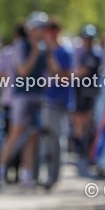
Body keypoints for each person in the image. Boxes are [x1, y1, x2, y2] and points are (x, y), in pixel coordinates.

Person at [0, 11, 50, 187]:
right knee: (16, 132)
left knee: (33, 136)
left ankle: (27, 174)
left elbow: (49, 72)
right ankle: (1, 169)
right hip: (22, 95)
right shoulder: (21, 46)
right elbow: (23, 70)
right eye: (37, 28)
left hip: (38, 94)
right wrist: (35, 51)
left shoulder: (45, 47)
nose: (40, 32)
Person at [41, 18, 73, 188]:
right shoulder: (45, 50)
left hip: (59, 101)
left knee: (57, 139)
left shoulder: (64, 51)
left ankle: (54, 175)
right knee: (47, 140)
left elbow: (62, 77)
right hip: (47, 100)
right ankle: (48, 173)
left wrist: (49, 55)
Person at [71, 24, 104, 174]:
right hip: (79, 89)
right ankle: (80, 145)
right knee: (78, 118)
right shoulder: (80, 52)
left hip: (89, 90)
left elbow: (82, 72)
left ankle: (85, 147)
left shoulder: (95, 55)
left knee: (85, 118)